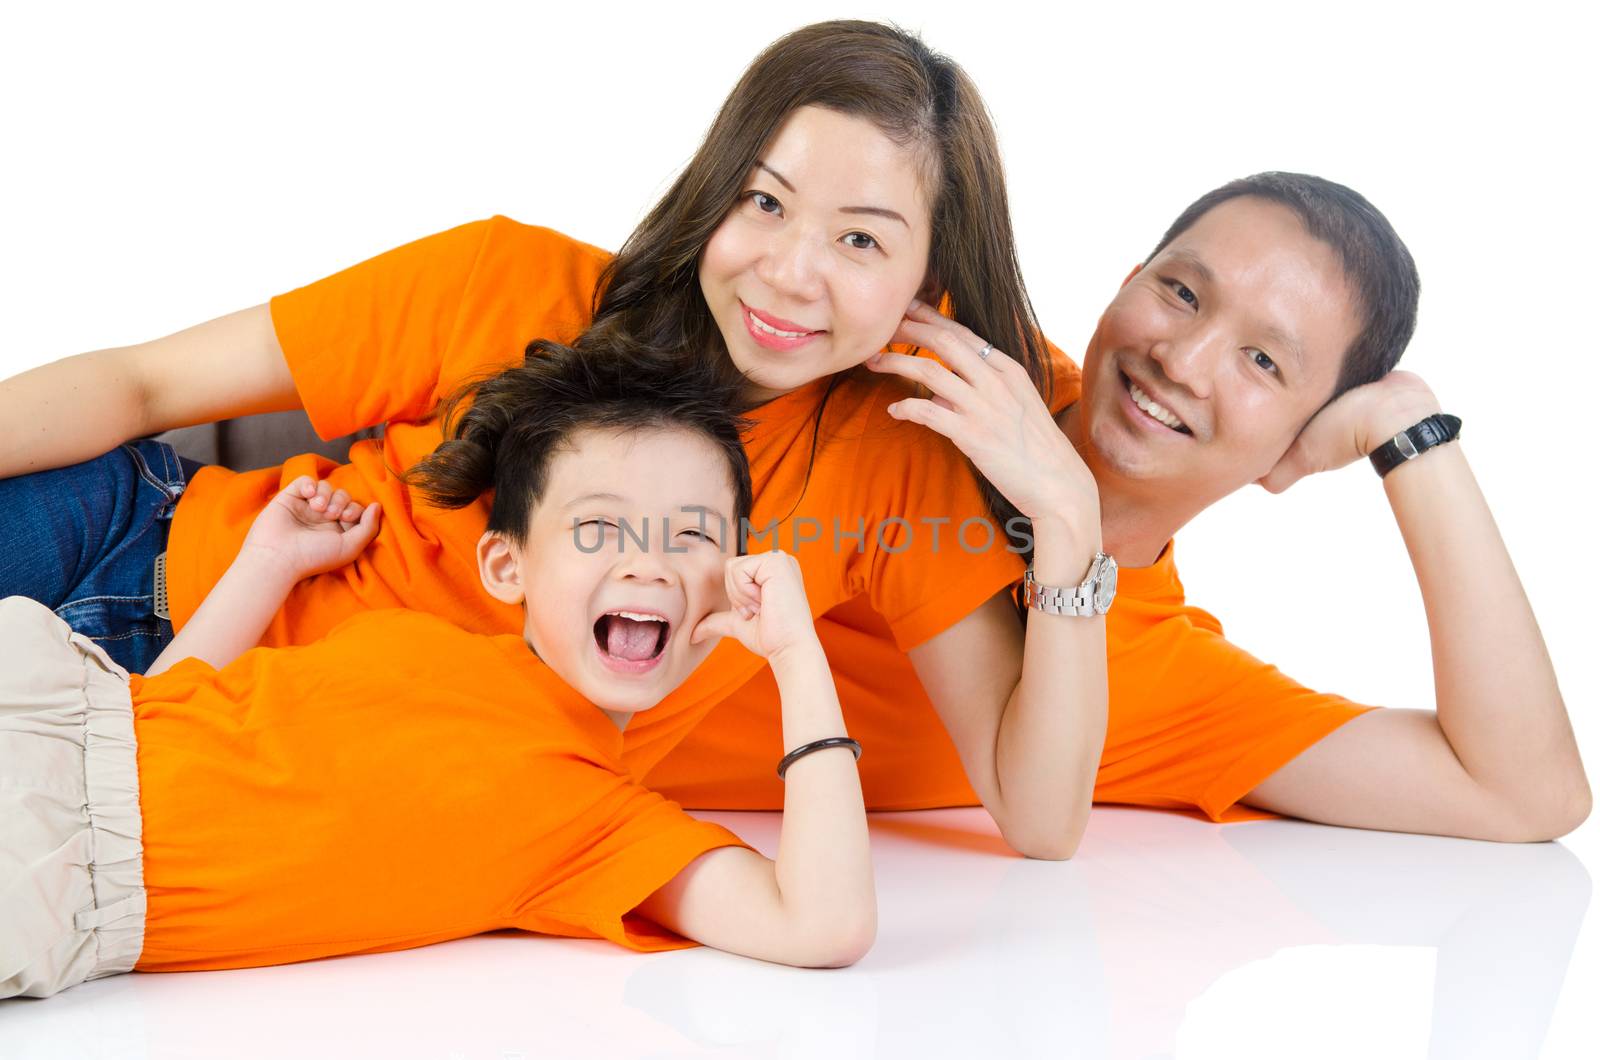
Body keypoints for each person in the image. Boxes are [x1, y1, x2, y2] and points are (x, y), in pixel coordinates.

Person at [0, 21, 1103, 859]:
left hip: (219, 752)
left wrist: (1067, 522)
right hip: (138, 546)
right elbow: (142, 383)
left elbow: (1041, 819)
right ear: (714, 190)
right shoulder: (513, 279)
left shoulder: (884, 466)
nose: (789, 269)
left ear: (931, 282)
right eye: (764, 204)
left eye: (861, 239)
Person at [647, 172, 1592, 844]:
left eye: (1264, 362)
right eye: (1180, 292)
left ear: (1296, 446)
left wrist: (1413, 436)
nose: (1181, 361)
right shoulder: (917, 346)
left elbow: (1525, 796)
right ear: (1124, 283)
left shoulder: (1159, 677)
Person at [0, 343, 876, 1000]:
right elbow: (160, 708)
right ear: (506, 568)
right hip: (52, 699)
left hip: (46, 870)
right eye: (600, 529)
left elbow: (822, 923)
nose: (648, 565)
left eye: (690, 536)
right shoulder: (413, 641)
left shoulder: (596, 823)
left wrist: (797, 658)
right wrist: (265, 565)